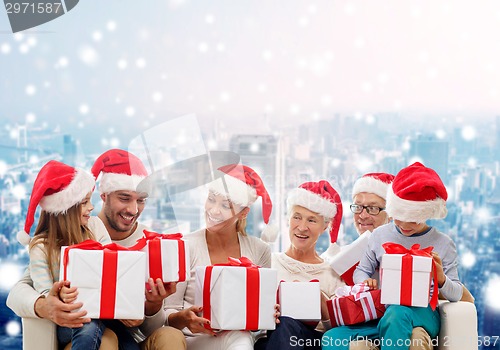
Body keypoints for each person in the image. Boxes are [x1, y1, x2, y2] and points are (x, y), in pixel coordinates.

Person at [8, 149, 186, 350]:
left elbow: (148, 325)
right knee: (101, 336)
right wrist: (47, 303)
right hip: (82, 326)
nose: (134, 210)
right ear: (104, 195)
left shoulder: (149, 244)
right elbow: (19, 292)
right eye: (125, 198)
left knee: (157, 337)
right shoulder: (50, 244)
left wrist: (148, 307)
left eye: (141, 200)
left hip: (119, 327)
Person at [322, 162, 464, 350]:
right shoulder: (380, 235)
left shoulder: (444, 243)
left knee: (397, 313)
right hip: (382, 314)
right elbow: (361, 271)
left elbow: (457, 294)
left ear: (428, 213)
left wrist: (441, 279)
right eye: (398, 216)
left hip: (423, 314)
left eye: (413, 219)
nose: (404, 225)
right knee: (331, 338)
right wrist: (365, 282)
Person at [160, 163, 273, 350]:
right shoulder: (185, 246)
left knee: (240, 336)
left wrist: (266, 313)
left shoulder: (259, 250)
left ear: (244, 213)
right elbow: (168, 312)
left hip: (239, 339)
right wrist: (184, 318)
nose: (214, 210)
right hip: (190, 340)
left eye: (226, 205)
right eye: (211, 199)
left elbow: (260, 326)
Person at [18, 160, 122, 350]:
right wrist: (60, 295)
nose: (91, 207)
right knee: (87, 324)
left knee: (126, 340)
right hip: (70, 320)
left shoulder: (94, 226)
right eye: (84, 203)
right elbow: (45, 294)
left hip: (102, 310)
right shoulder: (41, 247)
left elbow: (112, 263)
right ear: (64, 211)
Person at [255, 180, 346, 350]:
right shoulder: (267, 262)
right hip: (271, 340)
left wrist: (320, 300)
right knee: (282, 326)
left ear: (325, 226)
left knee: (287, 324)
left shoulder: (332, 274)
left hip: (311, 343)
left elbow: (339, 334)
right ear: (288, 219)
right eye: (297, 217)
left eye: (312, 220)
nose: (302, 227)